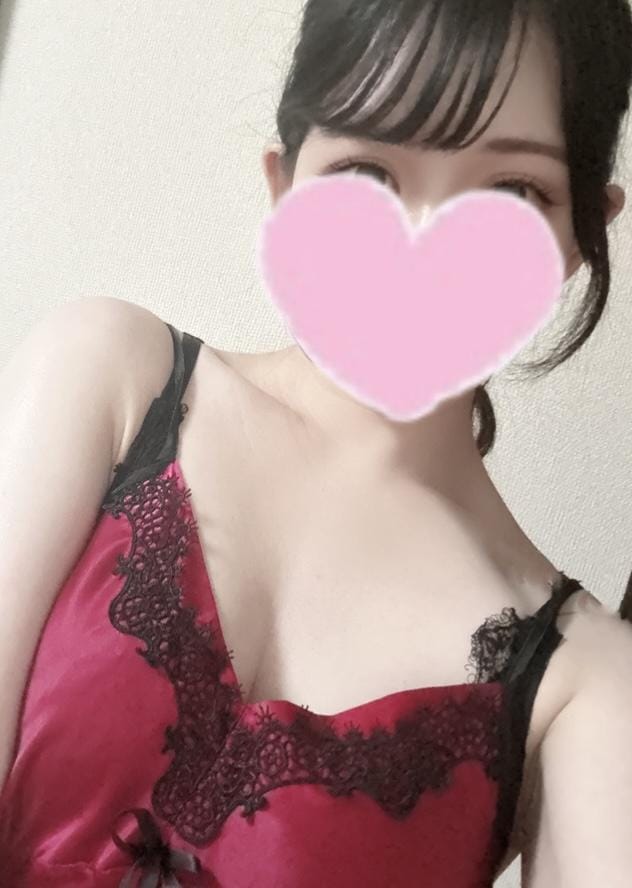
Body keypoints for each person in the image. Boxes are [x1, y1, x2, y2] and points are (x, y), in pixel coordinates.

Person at [1, 1, 632, 886]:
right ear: (285, 185)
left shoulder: (582, 681)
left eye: (512, 193)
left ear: (580, 236)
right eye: (367, 172)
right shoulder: (107, 375)